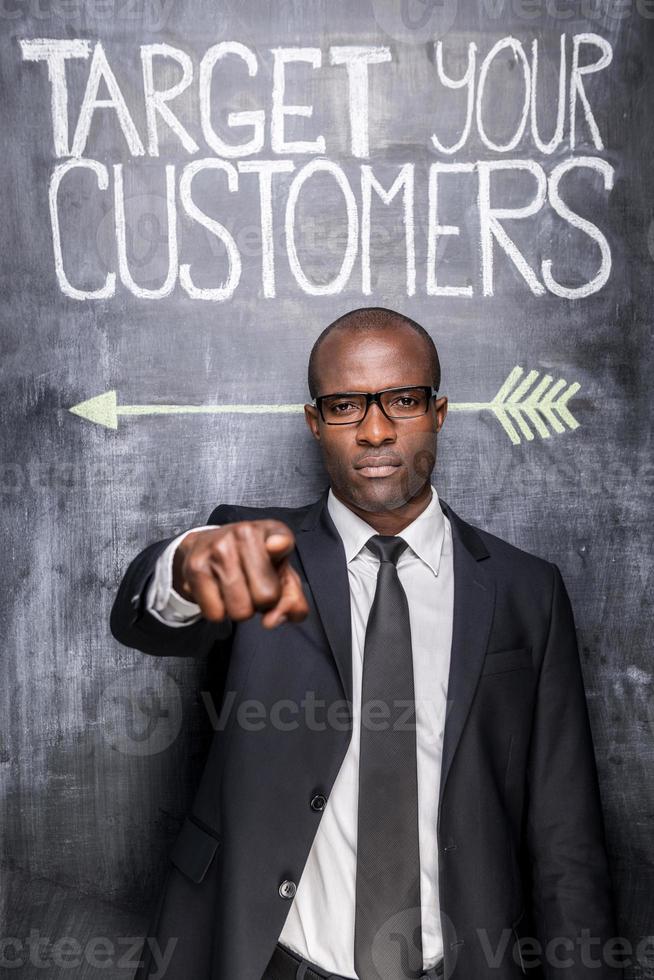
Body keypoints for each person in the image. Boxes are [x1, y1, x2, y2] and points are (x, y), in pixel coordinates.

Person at [110, 307, 620, 980]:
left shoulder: (528, 591)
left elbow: (566, 841)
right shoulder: (253, 551)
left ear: (438, 412)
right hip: (272, 961)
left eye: (402, 401)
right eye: (346, 405)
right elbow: (144, 618)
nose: (375, 430)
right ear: (314, 421)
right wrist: (183, 569)